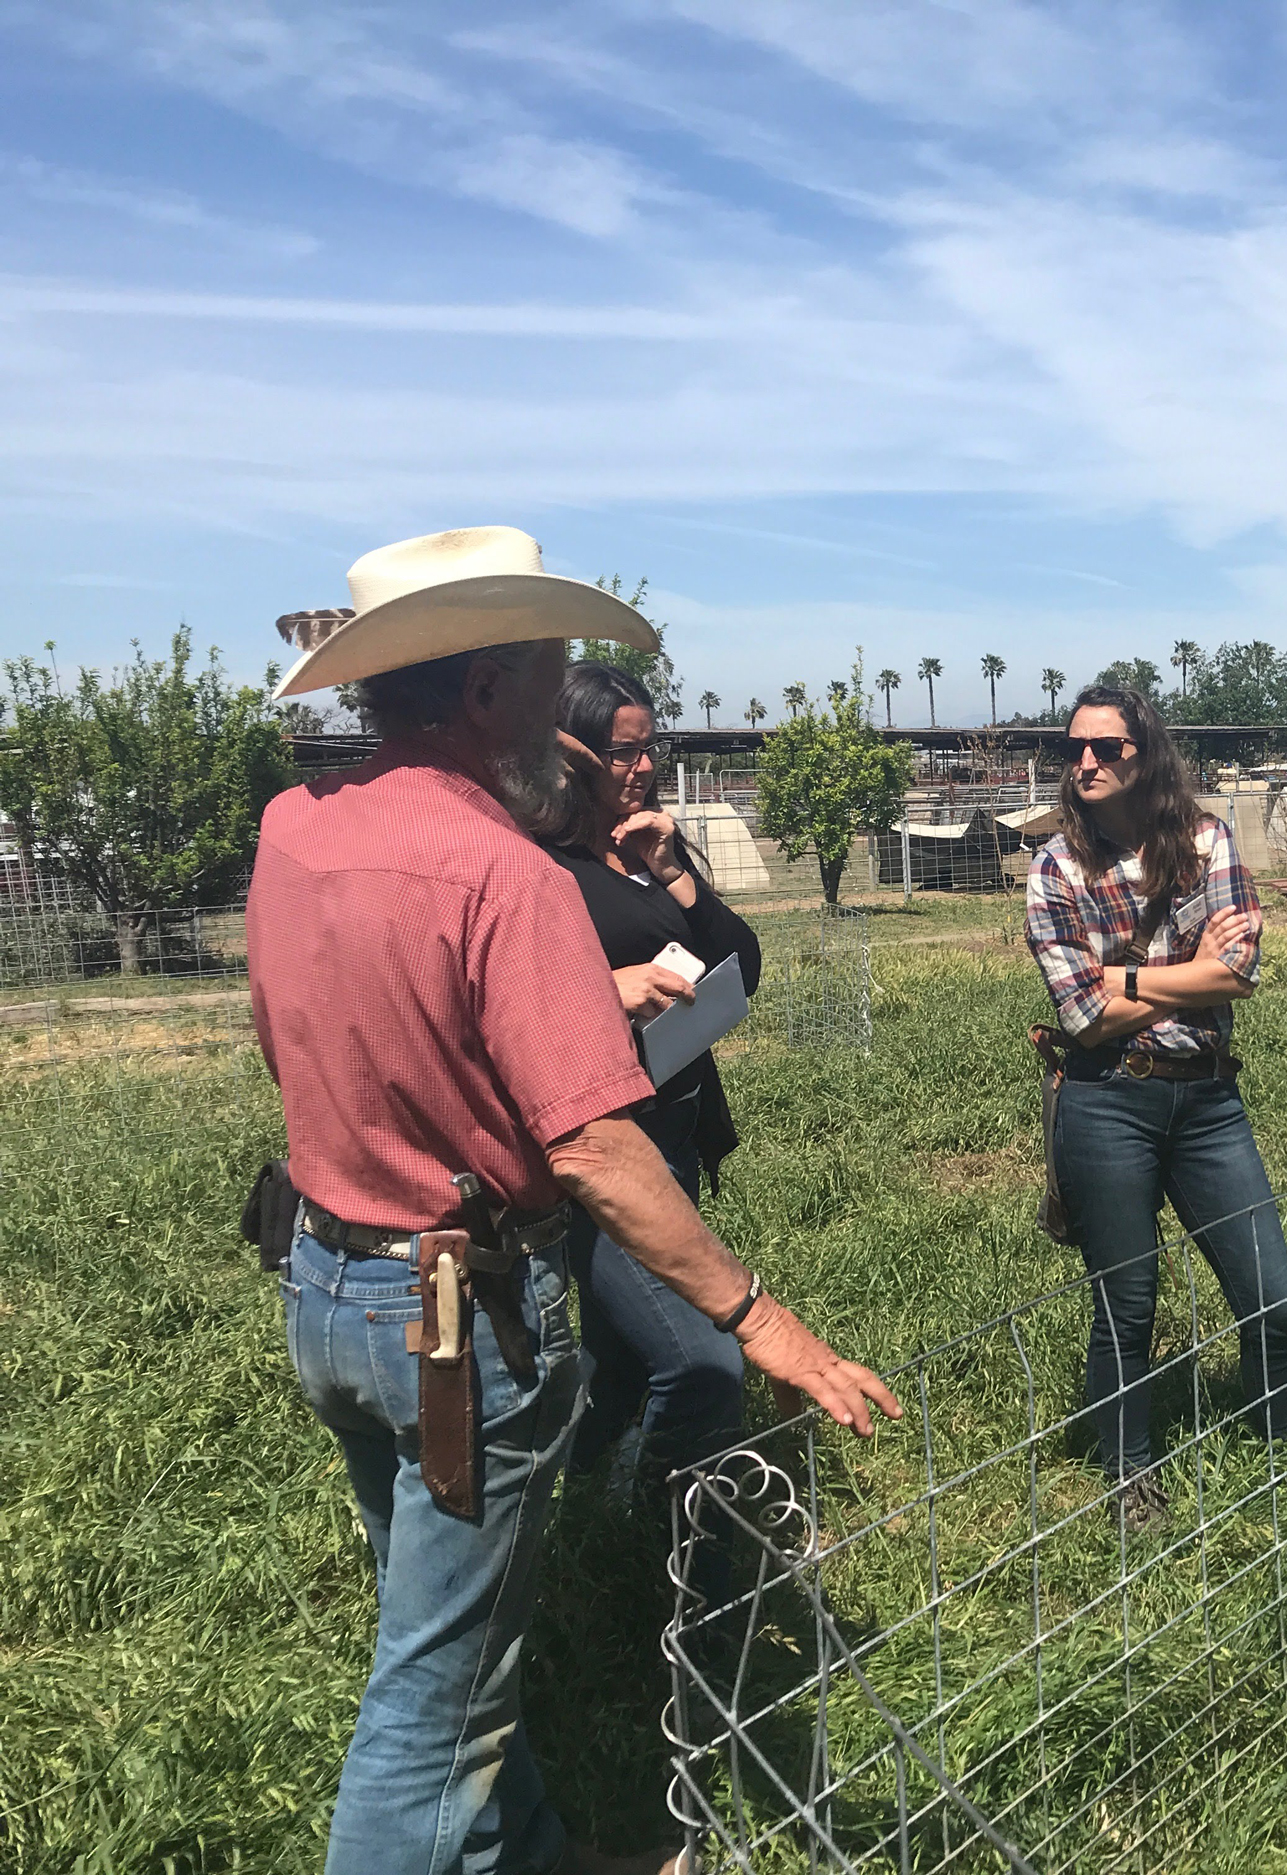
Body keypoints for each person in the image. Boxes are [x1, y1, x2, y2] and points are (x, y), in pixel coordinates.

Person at [249, 526, 897, 1875]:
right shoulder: (507, 876)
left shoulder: (297, 829)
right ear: (486, 689)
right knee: (428, 1704)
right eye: (551, 667)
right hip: (455, 1314)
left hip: (326, 1278)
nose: (571, 702)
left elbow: (287, 1033)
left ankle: (527, 1851)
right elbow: (598, 1148)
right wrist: (756, 1314)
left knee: (450, 1630)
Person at [1023, 684, 1287, 1532]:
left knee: (1273, 1297)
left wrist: (1123, 978)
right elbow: (1082, 1017)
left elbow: (1239, 973)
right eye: (1073, 749)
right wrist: (1180, 977)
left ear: (1145, 752)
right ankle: (1129, 1476)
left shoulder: (1203, 841)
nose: (1085, 763)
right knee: (1128, 1305)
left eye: (1106, 748)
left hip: (1210, 1100)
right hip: (1106, 1101)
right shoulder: (1054, 870)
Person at [542, 662, 760, 1490]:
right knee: (698, 1357)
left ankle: (590, 1503)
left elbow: (743, 961)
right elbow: (505, 1000)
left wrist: (672, 868)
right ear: (572, 757)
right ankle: (665, 1515)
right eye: (620, 753)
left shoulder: (644, 848)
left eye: (647, 750)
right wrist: (605, 991)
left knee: (620, 1348)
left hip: (675, 1124)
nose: (640, 770)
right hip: (606, 1145)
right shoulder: (546, 868)